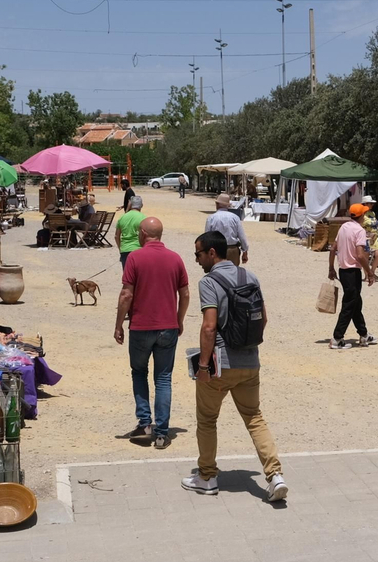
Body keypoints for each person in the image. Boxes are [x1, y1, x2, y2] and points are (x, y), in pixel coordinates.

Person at [181, 230, 287, 501]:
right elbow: (263, 319)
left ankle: (207, 477)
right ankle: (275, 475)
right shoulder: (250, 277)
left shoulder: (209, 282)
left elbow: (209, 327)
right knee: (254, 418)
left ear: (212, 253)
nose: (196, 260)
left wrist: (203, 367)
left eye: (198, 254)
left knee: (207, 420)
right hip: (250, 362)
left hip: (221, 364)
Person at [114, 216, 190, 449]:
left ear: (143, 234)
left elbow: (126, 295)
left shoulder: (135, 258)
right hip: (168, 327)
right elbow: (185, 294)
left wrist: (118, 324)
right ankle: (162, 433)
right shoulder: (175, 258)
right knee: (163, 378)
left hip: (141, 326)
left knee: (139, 372)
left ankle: (145, 423)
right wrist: (179, 319)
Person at [328, 202, 377, 349]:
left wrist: (331, 268)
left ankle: (363, 334)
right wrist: (369, 272)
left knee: (356, 303)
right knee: (349, 305)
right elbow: (360, 255)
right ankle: (337, 338)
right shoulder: (359, 231)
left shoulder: (344, 227)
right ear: (361, 216)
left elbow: (333, 249)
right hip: (353, 272)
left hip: (343, 271)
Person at [206, 193, 251, 265]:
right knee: (233, 271)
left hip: (217, 251)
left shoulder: (211, 218)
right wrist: (245, 251)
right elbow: (242, 237)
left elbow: (207, 237)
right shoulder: (235, 218)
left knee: (217, 271)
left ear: (217, 204)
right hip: (232, 250)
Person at [116, 196, 145, 271]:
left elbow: (116, 236)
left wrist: (120, 248)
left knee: (127, 275)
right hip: (138, 249)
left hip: (125, 249)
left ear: (131, 205)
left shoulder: (123, 217)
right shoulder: (143, 218)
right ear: (141, 205)